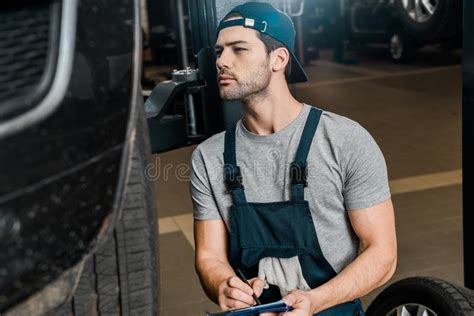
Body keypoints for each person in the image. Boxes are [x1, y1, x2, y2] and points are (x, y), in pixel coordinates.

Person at [189, 2, 397, 315]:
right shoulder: (209, 157)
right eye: (219, 52)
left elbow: (383, 254)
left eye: (239, 49)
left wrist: (316, 301)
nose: (222, 62)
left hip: (330, 307)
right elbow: (209, 257)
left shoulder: (344, 140)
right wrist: (224, 284)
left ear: (279, 59)